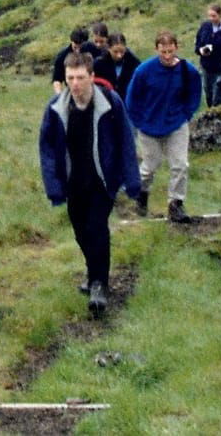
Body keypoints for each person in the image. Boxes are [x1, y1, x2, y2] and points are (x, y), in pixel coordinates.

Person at [39, 49, 138, 315]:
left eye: (80, 77)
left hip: (102, 181)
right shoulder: (56, 108)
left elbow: (126, 140)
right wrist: (54, 186)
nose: (75, 84)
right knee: (81, 232)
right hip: (74, 183)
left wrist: (131, 180)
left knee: (97, 228)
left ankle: (99, 285)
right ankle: (92, 272)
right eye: (70, 78)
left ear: (92, 76)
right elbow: (47, 149)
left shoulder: (110, 102)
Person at [125, 30, 202, 222]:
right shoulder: (144, 71)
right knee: (150, 165)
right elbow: (132, 99)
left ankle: (176, 204)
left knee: (180, 164)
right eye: (163, 52)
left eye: (170, 51)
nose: (167, 56)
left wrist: (186, 114)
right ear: (156, 50)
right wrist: (139, 121)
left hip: (176, 124)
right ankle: (141, 196)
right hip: (149, 125)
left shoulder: (187, 71)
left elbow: (194, 95)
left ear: (176, 48)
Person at [194, 4, 221, 108]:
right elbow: (197, 44)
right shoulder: (205, 26)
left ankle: (217, 110)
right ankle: (211, 112)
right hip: (207, 65)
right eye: (209, 16)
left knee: (218, 90)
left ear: (220, 15)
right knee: (208, 91)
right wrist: (201, 50)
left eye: (214, 16)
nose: (211, 19)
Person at [102, 31, 138, 99]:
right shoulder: (99, 64)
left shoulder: (133, 63)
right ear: (109, 48)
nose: (119, 55)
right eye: (115, 52)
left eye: (122, 51)